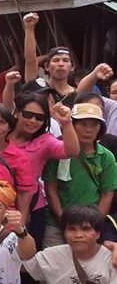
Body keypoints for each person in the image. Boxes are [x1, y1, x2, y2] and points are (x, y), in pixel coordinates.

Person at [43, 103, 117, 248]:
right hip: (56, 224)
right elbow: (51, 189)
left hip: (90, 226)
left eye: (94, 124)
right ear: (73, 125)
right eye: (83, 124)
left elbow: (107, 194)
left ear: (100, 128)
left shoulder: (106, 157)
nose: (88, 129)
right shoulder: (59, 150)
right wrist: (63, 220)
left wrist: (94, 223)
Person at [10, 93, 79, 249]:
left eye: (39, 118)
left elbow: (72, 151)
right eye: (28, 115)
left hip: (32, 210)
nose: (33, 121)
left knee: (28, 256)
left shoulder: (45, 141)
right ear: (17, 112)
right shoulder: (1, 133)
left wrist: (66, 123)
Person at [24, 206, 117, 282]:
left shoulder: (111, 259)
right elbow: (19, 265)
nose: (78, 235)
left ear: (98, 234)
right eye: (72, 229)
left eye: (86, 229)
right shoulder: (50, 256)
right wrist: (21, 233)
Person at [23, 13, 77, 106]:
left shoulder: (78, 94)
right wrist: (29, 28)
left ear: (72, 67)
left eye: (65, 60)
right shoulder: (39, 88)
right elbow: (30, 60)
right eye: (56, 60)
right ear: (47, 66)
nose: (60, 64)